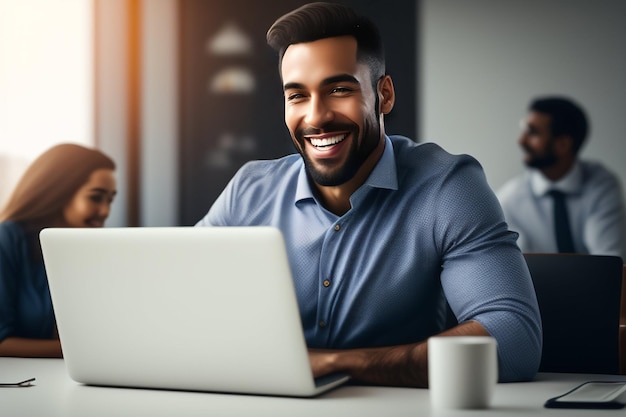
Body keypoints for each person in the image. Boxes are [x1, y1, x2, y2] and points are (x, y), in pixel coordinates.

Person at [196, 2, 542, 387]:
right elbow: (176, 298)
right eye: (297, 96)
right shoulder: (248, 190)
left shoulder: (449, 186)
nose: (316, 117)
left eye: (339, 89)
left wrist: (336, 364)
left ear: (385, 95)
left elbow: (514, 341)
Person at [0, 143, 117, 357]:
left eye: (110, 200)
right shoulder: (8, 239)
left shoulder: (90, 250)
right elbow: (2, 341)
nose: (105, 211)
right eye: (95, 197)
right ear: (60, 192)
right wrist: (93, 351)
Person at [497, 96, 626, 259]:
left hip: (596, 285)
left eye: (533, 132)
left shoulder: (602, 186)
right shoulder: (510, 199)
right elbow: (513, 264)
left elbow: (610, 261)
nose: (521, 140)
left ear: (563, 144)